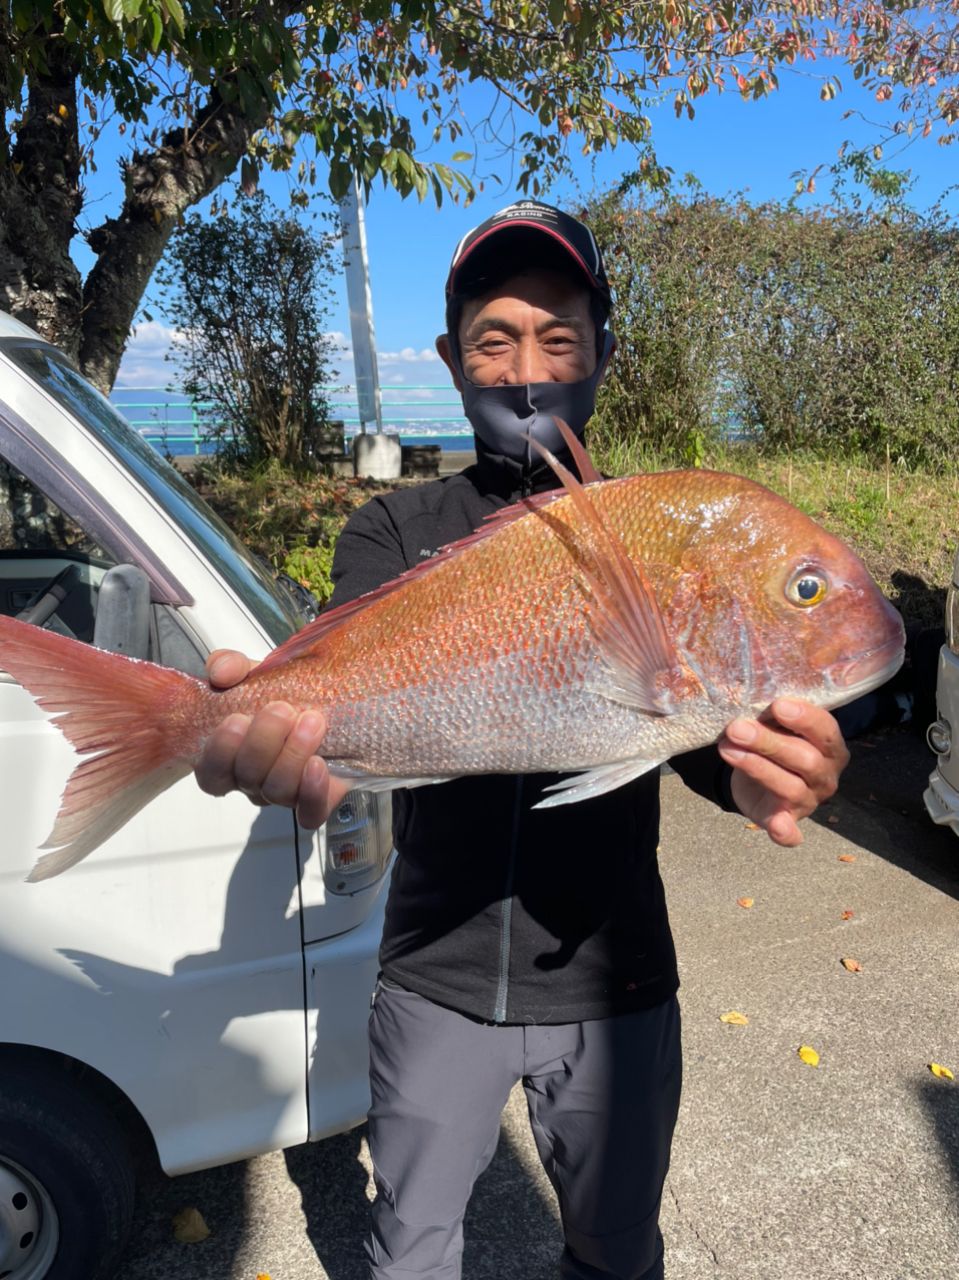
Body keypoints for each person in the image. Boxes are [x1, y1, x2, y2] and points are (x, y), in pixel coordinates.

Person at [195, 200, 850, 1280]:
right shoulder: (392, 531)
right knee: (407, 1251)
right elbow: (351, 691)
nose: (527, 368)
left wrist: (759, 768)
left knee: (616, 1247)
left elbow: (687, 727)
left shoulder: (654, 533)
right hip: (431, 977)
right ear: (453, 357)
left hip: (614, 979)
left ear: (601, 351)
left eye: (559, 337)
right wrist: (282, 734)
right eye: (494, 339)